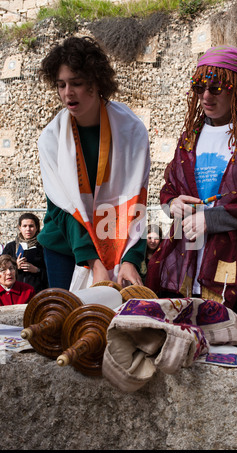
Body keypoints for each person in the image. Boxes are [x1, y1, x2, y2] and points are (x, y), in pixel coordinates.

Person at [146, 45, 237, 354]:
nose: (206, 97)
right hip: (190, 270)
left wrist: (211, 220)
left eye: (216, 88)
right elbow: (169, 187)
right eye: (200, 88)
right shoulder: (190, 136)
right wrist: (171, 204)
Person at [37, 36, 150, 290]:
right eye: (61, 85)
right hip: (65, 248)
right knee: (68, 325)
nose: (68, 93)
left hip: (118, 245)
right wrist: (94, 262)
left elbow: (137, 200)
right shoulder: (51, 139)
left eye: (76, 83)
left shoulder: (131, 131)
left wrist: (132, 258)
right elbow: (60, 208)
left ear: (97, 82)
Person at [3, 213, 48, 293]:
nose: (28, 229)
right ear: (19, 228)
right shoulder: (10, 247)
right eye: (24, 226)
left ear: (36, 227)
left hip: (37, 292)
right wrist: (15, 266)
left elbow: (51, 272)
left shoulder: (44, 247)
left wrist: (37, 270)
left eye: (31, 226)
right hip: (15, 292)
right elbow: (2, 269)